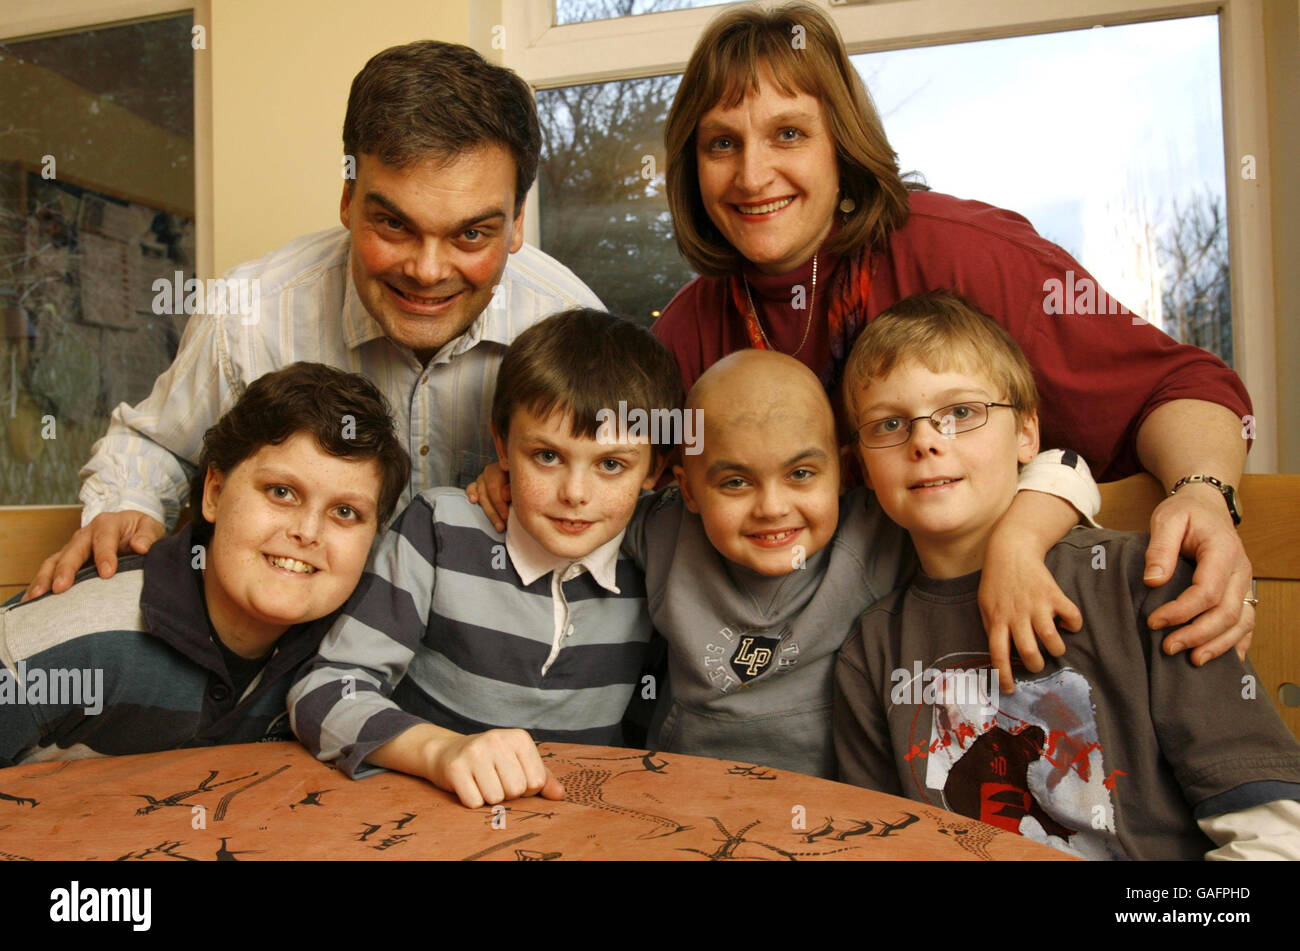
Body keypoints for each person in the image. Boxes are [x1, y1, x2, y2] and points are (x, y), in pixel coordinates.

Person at [654, 1, 1255, 669]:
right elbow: (607, 476)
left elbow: (1185, 386)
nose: (752, 175)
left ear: (842, 145)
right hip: (827, 682)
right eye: (721, 143)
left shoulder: (970, 256)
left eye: (788, 133)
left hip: (1009, 648)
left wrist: (1205, 491)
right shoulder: (687, 330)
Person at [24, 40, 600, 602]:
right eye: (394, 225)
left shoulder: (574, 327)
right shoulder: (247, 312)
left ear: (519, 221)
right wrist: (130, 504)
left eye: (471, 234)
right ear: (348, 197)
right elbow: (159, 444)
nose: (427, 271)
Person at [832, 292, 1300, 859]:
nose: (927, 441)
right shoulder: (869, 653)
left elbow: (1274, 834)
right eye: (889, 423)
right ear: (861, 463)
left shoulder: (1143, 583)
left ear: (1027, 433)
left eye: (961, 412)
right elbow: (878, 847)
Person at [615, 348, 1096, 777]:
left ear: (845, 473)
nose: (772, 508)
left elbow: (1064, 465)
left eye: (801, 474)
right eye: (735, 483)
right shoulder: (665, 528)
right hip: (680, 798)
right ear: (688, 489)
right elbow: (580, 509)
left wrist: (1020, 540)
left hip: (832, 816)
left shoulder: (873, 529)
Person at [288, 310, 681, 808]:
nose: (575, 494)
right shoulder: (439, 531)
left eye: (611, 465)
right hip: (424, 822)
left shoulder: (658, 556)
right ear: (502, 444)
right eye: (546, 456)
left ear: (656, 470)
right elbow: (323, 692)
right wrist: (440, 751)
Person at [0, 362, 410, 766]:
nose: (308, 531)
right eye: (281, 492)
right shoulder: (85, 639)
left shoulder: (351, 654)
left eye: (345, 512)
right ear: (213, 493)